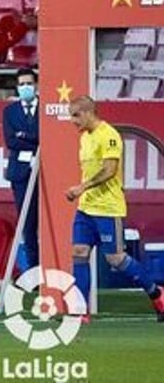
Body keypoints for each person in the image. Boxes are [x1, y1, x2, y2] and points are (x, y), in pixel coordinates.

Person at [66, 96, 164, 320]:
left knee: (116, 259)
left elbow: (110, 170)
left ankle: (156, 292)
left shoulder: (109, 135)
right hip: (86, 208)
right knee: (79, 253)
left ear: (89, 112)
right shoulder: (85, 138)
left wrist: (83, 187)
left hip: (108, 209)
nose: (72, 121)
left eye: (76, 115)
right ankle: (80, 311)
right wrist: (83, 192)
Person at [3, 68, 40, 272]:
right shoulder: (9, 111)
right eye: (22, 84)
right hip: (20, 175)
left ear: (36, 85)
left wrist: (24, 135)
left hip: (45, 173)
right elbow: (11, 141)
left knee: (46, 222)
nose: (25, 87)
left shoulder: (46, 108)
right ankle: (34, 272)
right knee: (28, 225)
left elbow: (46, 137)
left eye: (29, 83)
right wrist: (33, 138)